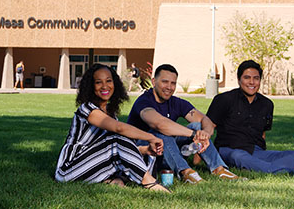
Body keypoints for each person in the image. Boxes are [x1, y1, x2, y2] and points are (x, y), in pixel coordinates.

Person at [55, 64, 170, 193]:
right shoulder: (87, 109)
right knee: (116, 138)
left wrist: (144, 150)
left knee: (146, 152)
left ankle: (115, 180)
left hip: (93, 164)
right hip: (69, 169)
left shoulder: (110, 113)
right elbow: (119, 129)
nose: (105, 86)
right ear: (91, 86)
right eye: (99, 82)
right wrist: (151, 137)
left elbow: (116, 149)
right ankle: (149, 183)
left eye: (109, 81)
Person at [127, 64, 240, 184]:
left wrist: (204, 134)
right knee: (161, 133)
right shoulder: (144, 102)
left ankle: (219, 169)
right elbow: (160, 124)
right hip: (145, 153)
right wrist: (194, 134)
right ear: (154, 82)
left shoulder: (176, 102)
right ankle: (186, 172)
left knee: (198, 126)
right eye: (165, 82)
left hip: (168, 152)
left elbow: (205, 120)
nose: (169, 87)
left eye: (173, 83)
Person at [206, 60, 294, 174]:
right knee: (239, 156)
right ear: (239, 80)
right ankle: (280, 170)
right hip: (229, 149)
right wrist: (201, 157)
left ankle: (270, 166)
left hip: (255, 151)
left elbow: (262, 134)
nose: (252, 82)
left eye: (256, 78)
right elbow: (209, 124)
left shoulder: (267, 104)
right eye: (247, 77)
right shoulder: (223, 99)